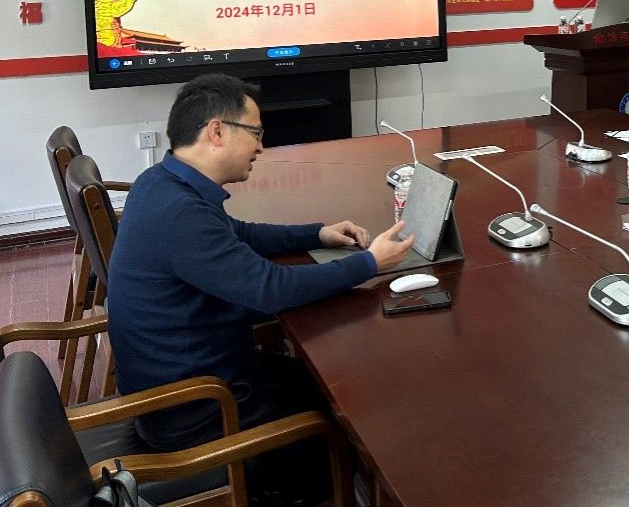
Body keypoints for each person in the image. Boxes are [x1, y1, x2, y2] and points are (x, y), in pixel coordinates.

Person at [108, 73, 415, 505]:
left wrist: (316, 234)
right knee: (349, 402)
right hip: (200, 410)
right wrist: (370, 263)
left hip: (191, 382)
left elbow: (240, 233)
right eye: (255, 133)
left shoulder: (160, 182)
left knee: (333, 380)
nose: (260, 147)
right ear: (217, 131)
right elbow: (272, 289)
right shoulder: (180, 213)